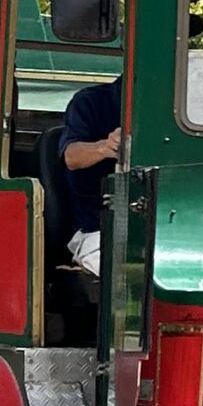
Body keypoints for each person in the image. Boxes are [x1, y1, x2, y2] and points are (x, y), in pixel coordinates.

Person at [59, 79, 119, 276]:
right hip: (96, 230)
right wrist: (103, 147)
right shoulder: (90, 102)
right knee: (120, 273)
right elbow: (71, 157)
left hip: (171, 230)